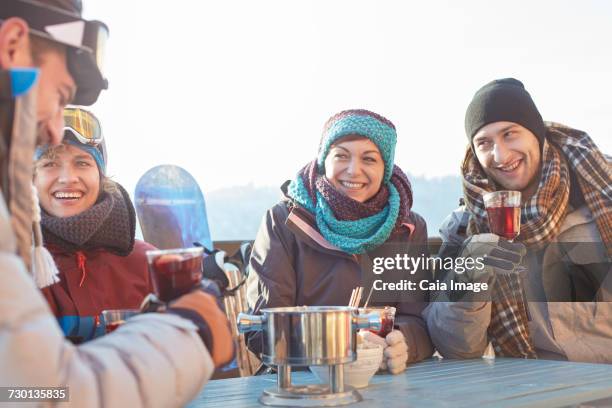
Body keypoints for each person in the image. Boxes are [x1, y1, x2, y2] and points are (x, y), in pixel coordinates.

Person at [0, 0, 233, 405]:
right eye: (58, 95)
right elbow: (34, 394)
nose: (54, 130)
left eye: (82, 163)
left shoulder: (142, 259)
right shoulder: (25, 252)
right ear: (14, 46)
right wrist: (191, 329)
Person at [424, 78, 612, 362]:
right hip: (527, 388)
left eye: (510, 134)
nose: (500, 155)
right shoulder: (466, 227)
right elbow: (456, 348)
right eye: (484, 143)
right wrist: (469, 274)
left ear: (536, 134)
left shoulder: (600, 197)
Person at [246, 109, 433, 374]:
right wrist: (339, 349)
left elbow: (420, 320)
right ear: (324, 161)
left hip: (382, 381)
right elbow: (261, 329)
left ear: (385, 169)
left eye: (369, 159)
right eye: (341, 156)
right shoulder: (284, 221)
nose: (354, 170)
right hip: (301, 382)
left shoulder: (408, 229)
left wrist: (402, 343)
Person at [34, 107, 155, 342]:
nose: (68, 178)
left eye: (82, 163)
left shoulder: (146, 263)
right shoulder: (14, 266)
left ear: (100, 176)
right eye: (50, 164)